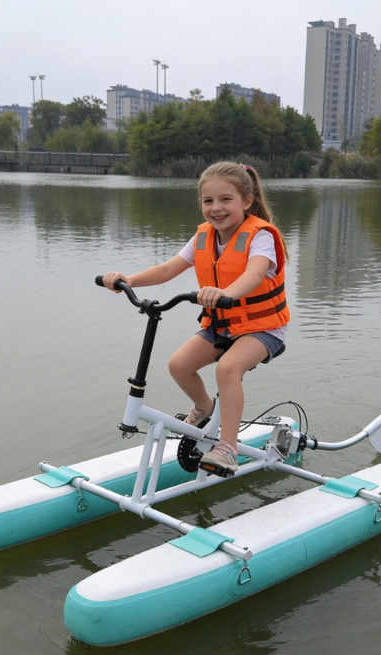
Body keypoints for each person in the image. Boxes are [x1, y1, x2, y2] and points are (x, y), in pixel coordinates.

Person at [101, 161, 290, 475]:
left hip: (264, 328)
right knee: (179, 365)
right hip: (222, 326)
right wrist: (128, 280)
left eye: (225, 200)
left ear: (246, 201)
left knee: (228, 369)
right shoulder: (203, 237)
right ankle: (204, 408)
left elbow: (254, 274)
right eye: (208, 201)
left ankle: (227, 448)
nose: (216, 208)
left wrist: (225, 292)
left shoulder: (261, 236)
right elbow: (168, 269)